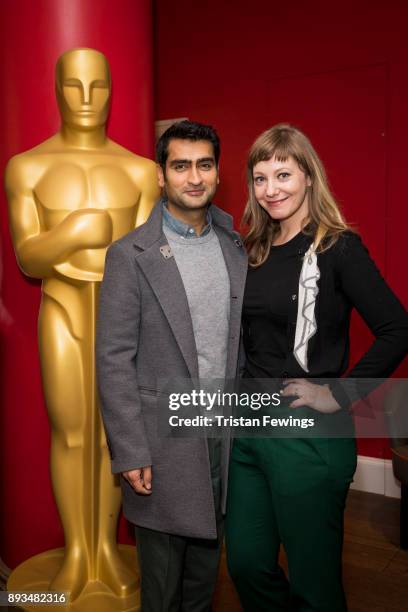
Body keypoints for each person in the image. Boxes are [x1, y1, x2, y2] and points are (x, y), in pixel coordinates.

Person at [225, 123, 408, 611]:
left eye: (283, 174)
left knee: (314, 581)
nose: (271, 189)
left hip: (306, 435)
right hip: (247, 428)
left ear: (308, 176)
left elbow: (397, 327)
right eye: (260, 178)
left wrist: (338, 394)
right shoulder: (253, 251)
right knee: (245, 562)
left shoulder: (337, 247)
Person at [5, 47, 158, 600]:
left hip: (121, 321)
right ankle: (78, 552)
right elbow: (29, 256)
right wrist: (75, 233)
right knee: (71, 433)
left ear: (113, 90)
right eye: (74, 86)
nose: (88, 100)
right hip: (63, 310)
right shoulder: (28, 167)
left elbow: (145, 262)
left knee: (115, 434)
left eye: (99, 87)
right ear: (56, 89)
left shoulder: (141, 171)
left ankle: (105, 552)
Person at [96, 120, 247, 611]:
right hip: (160, 446)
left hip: (221, 437)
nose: (194, 177)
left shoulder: (235, 245)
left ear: (218, 172)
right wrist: (130, 450)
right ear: (161, 175)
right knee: (161, 590)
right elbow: (114, 357)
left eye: (204, 164)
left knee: (204, 581)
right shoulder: (129, 254)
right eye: (180, 165)